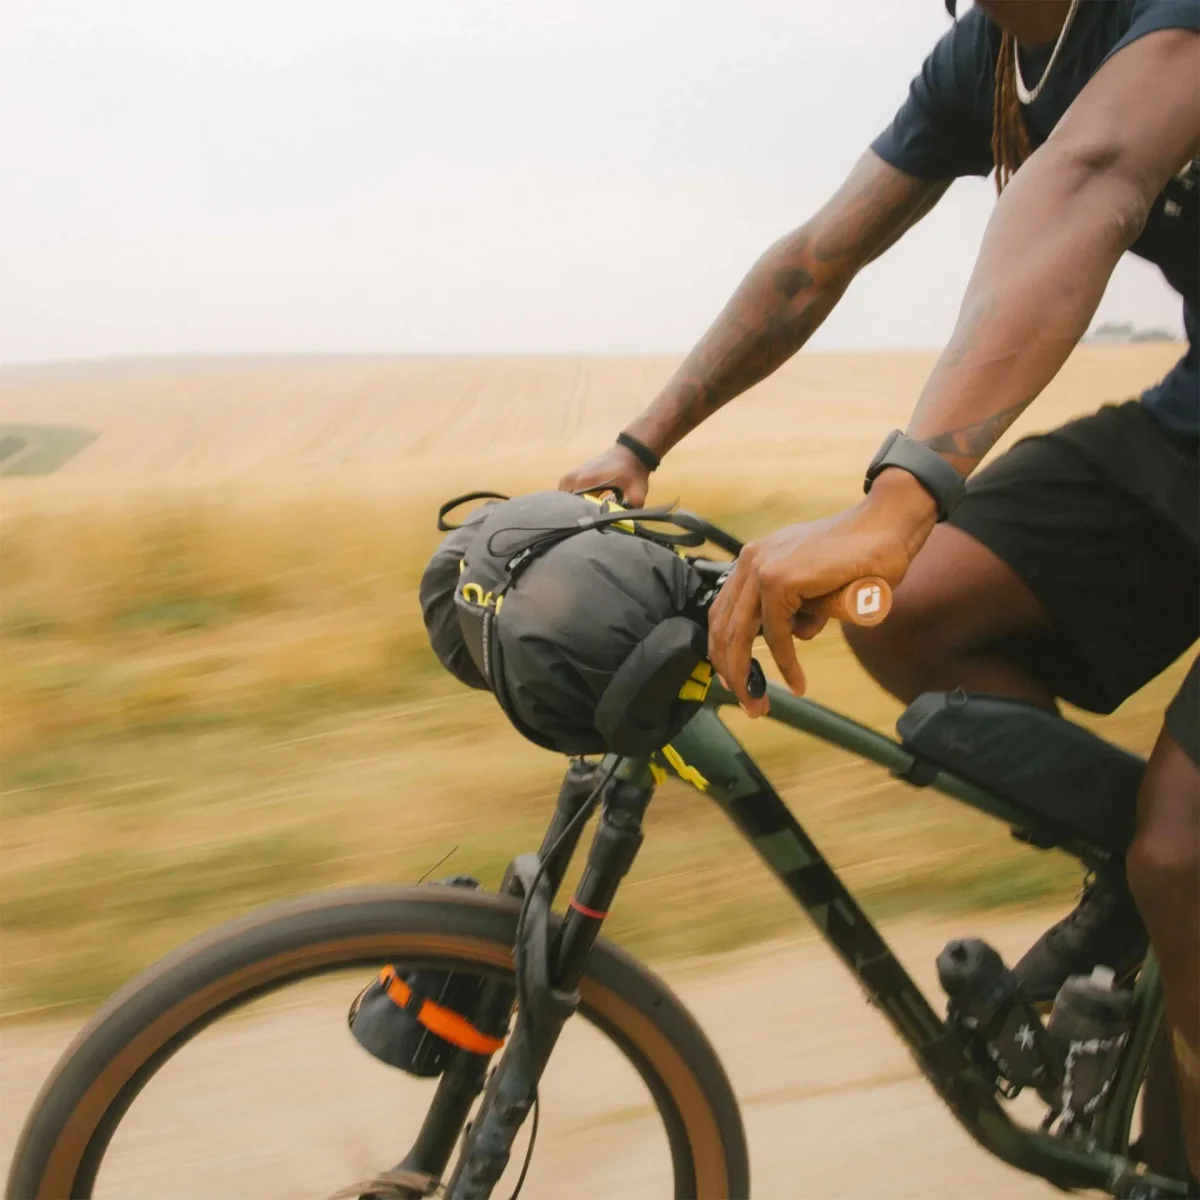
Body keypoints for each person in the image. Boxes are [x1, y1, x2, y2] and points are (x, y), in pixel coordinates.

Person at [559, 0, 1199, 1174]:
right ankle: (1155, 922)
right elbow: (815, 261)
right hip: (1191, 432)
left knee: (1186, 848)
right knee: (912, 610)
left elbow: (1096, 171)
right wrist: (639, 446)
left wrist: (901, 501)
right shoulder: (990, 61)